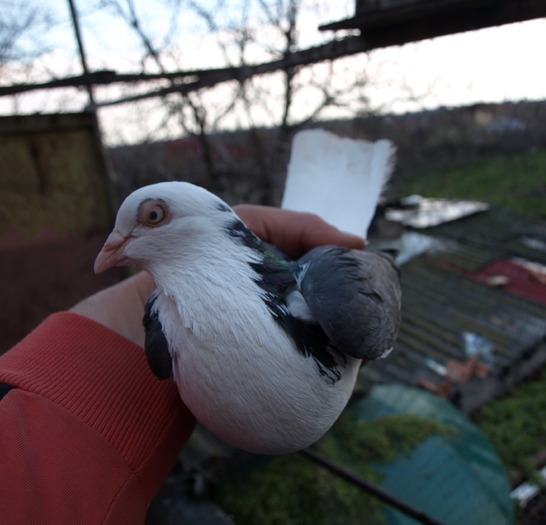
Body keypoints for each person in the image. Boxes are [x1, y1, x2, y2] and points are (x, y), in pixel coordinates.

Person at [0, 204, 365, 524]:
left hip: (321, 271)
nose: (114, 242)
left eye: (153, 216)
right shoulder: (161, 327)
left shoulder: (333, 302)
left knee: (357, 317)